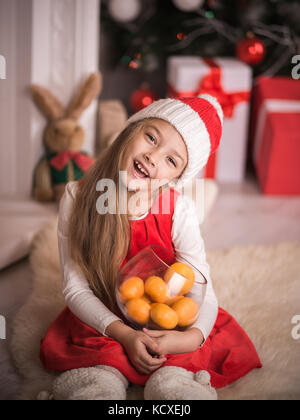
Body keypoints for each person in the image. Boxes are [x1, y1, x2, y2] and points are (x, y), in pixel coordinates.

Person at [39, 94, 262, 400]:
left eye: (171, 160)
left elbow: (201, 286)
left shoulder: (178, 209)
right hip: (105, 319)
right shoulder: (77, 198)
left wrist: (192, 338)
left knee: (176, 371)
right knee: (102, 367)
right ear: (132, 129)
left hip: (165, 318)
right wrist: (124, 334)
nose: (153, 157)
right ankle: (99, 384)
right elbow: (76, 289)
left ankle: (177, 385)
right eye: (151, 137)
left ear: (176, 178)